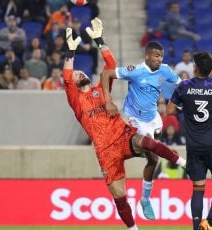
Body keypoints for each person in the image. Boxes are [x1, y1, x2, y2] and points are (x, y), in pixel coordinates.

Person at [64, 18, 186, 229]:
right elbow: (66, 77)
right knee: (119, 196)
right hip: (105, 152)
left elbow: (110, 66)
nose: (79, 73)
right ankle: (133, 228)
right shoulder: (76, 101)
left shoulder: (100, 90)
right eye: (76, 74)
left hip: (122, 136)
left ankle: (183, 163)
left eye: (81, 71)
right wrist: (70, 52)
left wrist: (99, 40)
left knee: (146, 143)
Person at [101, 40, 181, 220]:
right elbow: (106, 74)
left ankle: (157, 148)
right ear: (147, 55)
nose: (159, 59)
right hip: (136, 118)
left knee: (153, 158)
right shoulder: (135, 71)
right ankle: (145, 199)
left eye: (161, 56)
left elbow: (181, 84)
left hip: (153, 117)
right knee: (153, 156)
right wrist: (107, 100)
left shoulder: (165, 70)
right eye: (156, 56)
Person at [166, 51, 212, 230]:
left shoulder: (184, 86)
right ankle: (209, 221)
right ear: (211, 69)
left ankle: (197, 227)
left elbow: (169, 111)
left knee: (198, 188)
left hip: (194, 146)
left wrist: (185, 108)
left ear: (195, 68)